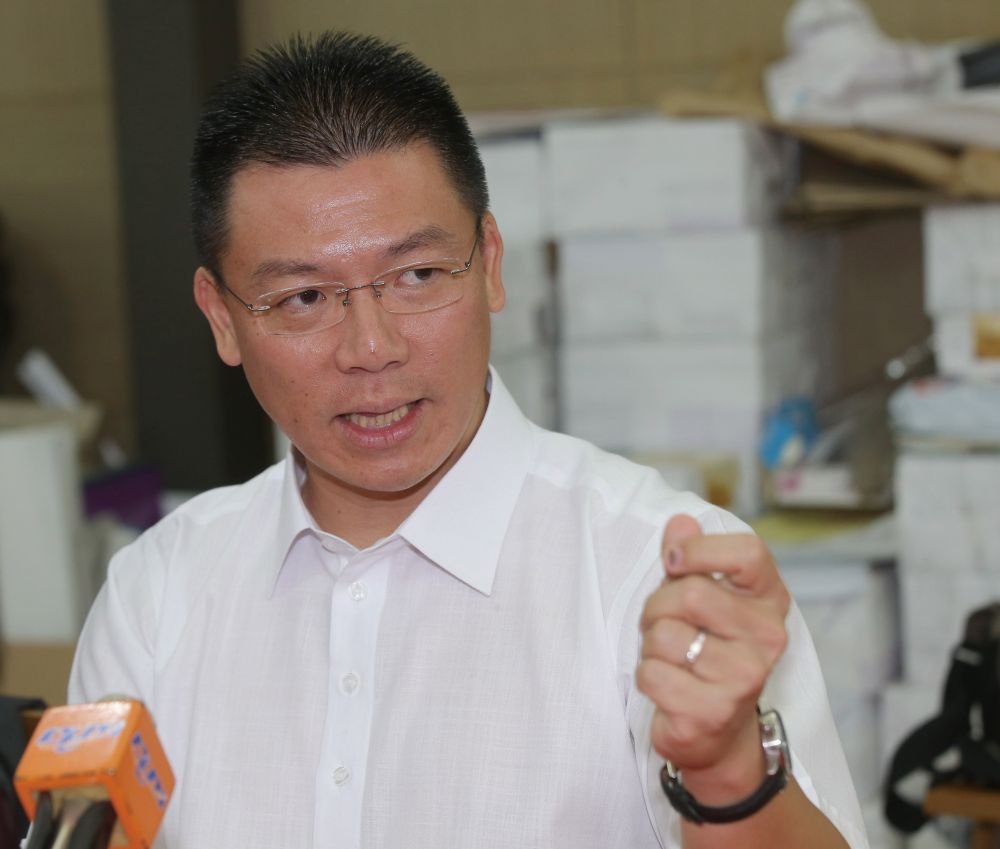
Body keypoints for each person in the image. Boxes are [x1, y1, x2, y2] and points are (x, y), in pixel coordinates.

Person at [69, 32, 868, 849]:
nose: (371, 347)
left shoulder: (656, 573)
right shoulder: (157, 594)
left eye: (417, 276)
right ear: (222, 318)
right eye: (304, 296)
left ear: (488, 262)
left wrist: (729, 774)